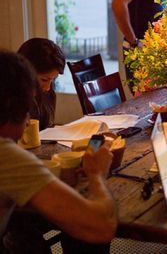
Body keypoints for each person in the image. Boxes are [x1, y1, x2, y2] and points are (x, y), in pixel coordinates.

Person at [0, 51, 117, 251]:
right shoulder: (7, 156)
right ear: (13, 108)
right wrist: (97, 174)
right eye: (28, 110)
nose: (29, 121)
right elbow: (100, 226)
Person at [17, 38, 65, 131]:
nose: (48, 88)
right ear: (25, 71)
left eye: (53, 80)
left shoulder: (48, 94)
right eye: (44, 80)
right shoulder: (8, 100)